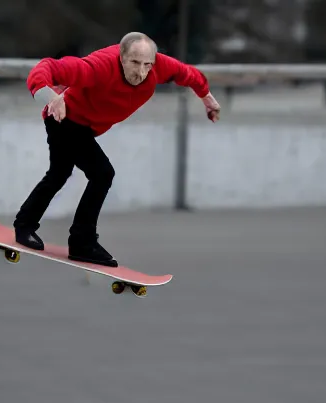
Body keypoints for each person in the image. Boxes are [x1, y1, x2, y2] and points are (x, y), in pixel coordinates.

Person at [13, 31, 221, 267]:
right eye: (134, 63)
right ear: (121, 57)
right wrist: (50, 96)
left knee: (59, 173)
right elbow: (45, 67)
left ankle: (25, 225)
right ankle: (82, 242)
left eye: (147, 65)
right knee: (102, 173)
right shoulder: (97, 67)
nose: (141, 73)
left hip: (85, 128)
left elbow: (190, 75)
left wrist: (208, 99)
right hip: (64, 120)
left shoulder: (159, 66)